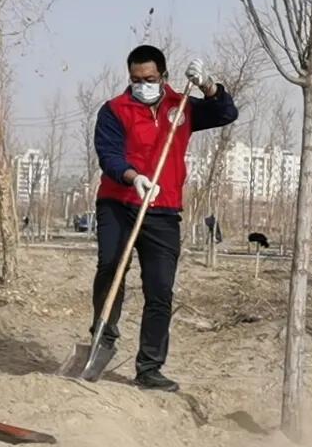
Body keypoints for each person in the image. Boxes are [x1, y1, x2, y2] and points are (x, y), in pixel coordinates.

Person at [92, 45, 238, 392]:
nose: (143, 84)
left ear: (164, 76)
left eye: (150, 79)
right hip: (120, 202)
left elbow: (226, 113)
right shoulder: (114, 110)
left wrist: (209, 86)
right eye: (136, 79)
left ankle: (149, 367)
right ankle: (104, 336)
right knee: (111, 267)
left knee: (159, 289)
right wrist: (132, 176)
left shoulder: (182, 106)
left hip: (164, 208)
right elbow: (108, 154)